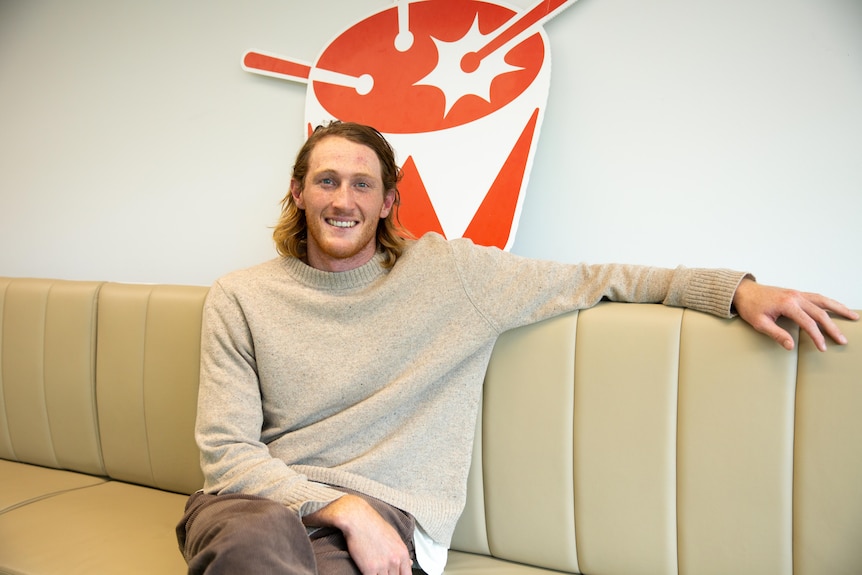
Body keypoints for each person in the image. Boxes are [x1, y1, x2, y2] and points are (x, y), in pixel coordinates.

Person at [176, 121, 857, 575]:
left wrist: (736, 290)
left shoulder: (454, 276)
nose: (343, 198)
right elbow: (227, 453)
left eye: (363, 183)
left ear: (388, 201)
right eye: (326, 180)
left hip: (388, 512)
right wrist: (339, 508)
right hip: (256, 505)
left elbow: (599, 279)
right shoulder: (240, 296)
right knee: (251, 548)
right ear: (299, 192)